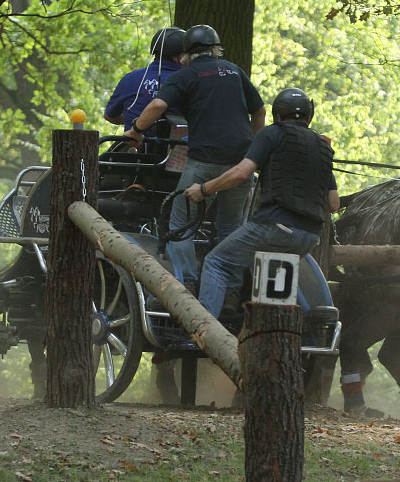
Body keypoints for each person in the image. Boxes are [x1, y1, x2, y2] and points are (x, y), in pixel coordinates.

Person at [125, 25, 267, 292]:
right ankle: (232, 289)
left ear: (185, 55)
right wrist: (254, 148)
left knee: (180, 222)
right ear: (217, 48)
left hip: (205, 161)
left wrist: (136, 130)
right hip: (240, 164)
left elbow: (157, 106)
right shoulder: (234, 71)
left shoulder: (186, 75)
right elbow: (259, 110)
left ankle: (187, 281)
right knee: (230, 226)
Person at [182, 87, 339, 317]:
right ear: (309, 117)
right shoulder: (323, 147)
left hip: (273, 227)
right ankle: (311, 325)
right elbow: (333, 204)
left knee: (217, 262)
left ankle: (205, 332)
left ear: (277, 115)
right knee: (274, 273)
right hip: (308, 236)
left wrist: (204, 189)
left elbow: (242, 173)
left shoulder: (272, 134)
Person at [104, 26, 186, 130]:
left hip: (133, 144)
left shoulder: (129, 78)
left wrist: (140, 120)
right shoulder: (189, 81)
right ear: (181, 57)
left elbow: (109, 115)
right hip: (176, 145)